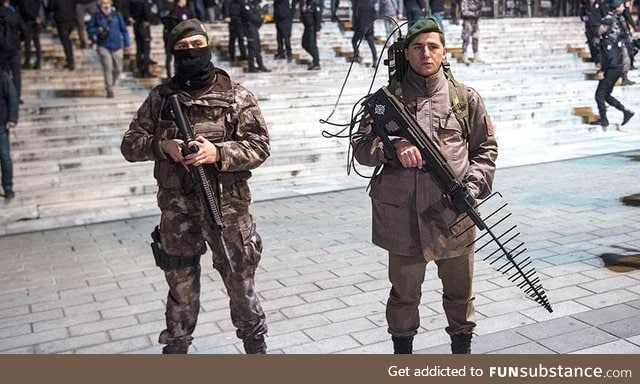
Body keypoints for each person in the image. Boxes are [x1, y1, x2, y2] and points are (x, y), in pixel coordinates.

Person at [121, 18, 270, 354]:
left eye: (197, 44)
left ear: (208, 45)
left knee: (240, 285)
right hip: (178, 212)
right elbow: (130, 143)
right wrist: (164, 146)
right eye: (183, 48)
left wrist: (217, 152)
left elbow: (259, 145)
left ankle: (254, 345)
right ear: (173, 53)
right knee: (180, 289)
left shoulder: (235, 95)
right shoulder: (161, 98)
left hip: (227, 210)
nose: (191, 52)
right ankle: (177, 347)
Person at [351, 17, 497, 354]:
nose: (425, 54)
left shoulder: (465, 98)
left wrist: (473, 188)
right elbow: (360, 147)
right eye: (417, 47)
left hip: (454, 215)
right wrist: (392, 150)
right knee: (404, 295)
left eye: (433, 46)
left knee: (460, 294)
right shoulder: (384, 102)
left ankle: (462, 353)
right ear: (406, 53)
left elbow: (485, 149)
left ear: (445, 52)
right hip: (404, 219)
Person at [590, 0, 635, 129]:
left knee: (599, 95)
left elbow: (609, 58)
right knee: (606, 95)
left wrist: (602, 71)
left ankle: (604, 120)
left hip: (613, 68)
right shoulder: (610, 37)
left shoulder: (607, 40)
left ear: (608, 27)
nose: (600, 28)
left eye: (603, 26)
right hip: (617, 67)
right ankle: (625, 111)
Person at [86, 0, 130, 98]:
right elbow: (89, 29)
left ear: (111, 4)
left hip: (117, 46)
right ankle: (109, 89)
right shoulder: (96, 16)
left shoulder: (117, 15)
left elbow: (124, 30)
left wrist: (127, 43)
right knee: (108, 67)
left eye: (107, 3)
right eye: (104, 3)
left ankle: (112, 84)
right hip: (103, 46)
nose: (106, 5)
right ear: (100, 4)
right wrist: (98, 30)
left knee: (118, 69)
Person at [159, 0, 192, 79]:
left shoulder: (186, 10)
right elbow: (172, 26)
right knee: (170, 56)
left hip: (184, 38)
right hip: (173, 38)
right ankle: (170, 75)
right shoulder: (173, 11)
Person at [0, 70, 18, 200]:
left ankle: (8, 187)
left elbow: (12, 97)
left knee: (4, 156)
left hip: (0, 123)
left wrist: (12, 118)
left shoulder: (3, 77)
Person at [241, 0, 270, 73]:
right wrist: (260, 20)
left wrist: (261, 19)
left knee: (258, 47)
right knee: (252, 48)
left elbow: (258, 14)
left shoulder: (254, 4)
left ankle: (260, 64)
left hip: (255, 28)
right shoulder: (246, 5)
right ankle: (251, 66)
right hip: (249, 29)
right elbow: (251, 17)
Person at [48, 0, 77, 70]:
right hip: (71, 20)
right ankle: (70, 60)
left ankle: (70, 61)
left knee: (65, 42)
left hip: (62, 21)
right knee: (67, 41)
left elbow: (50, 7)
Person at [129, 0, 155, 78]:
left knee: (139, 50)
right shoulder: (143, 2)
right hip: (143, 25)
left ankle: (140, 69)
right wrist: (148, 19)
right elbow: (146, 12)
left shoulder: (132, 2)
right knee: (146, 49)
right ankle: (146, 70)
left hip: (136, 24)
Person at [16, 0, 44, 70]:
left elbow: (25, 9)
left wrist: (34, 17)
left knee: (28, 43)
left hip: (29, 22)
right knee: (36, 43)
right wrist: (37, 18)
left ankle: (28, 63)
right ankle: (38, 63)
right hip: (36, 22)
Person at [352, 0, 377, 64]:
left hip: (360, 28)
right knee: (372, 45)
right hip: (369, 28)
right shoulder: (370, 5)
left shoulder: (357, 4)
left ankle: (356, 55)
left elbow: (356, 17)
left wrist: (355, 26)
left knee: (354, 41)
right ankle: (375, 59)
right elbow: (375, 16)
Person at [300, 0, 321, 70]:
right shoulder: (304, 4)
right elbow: (302, 16)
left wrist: (318, 30)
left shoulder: (315, 5)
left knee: (312, 45)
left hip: (312, 28)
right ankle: (315, 59)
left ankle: (317, 63)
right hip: (307, 27)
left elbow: (318, 18)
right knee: (304, 44)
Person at [460, 0, 481, 65]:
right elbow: (464, 12)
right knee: (466, 39)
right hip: (467, 22)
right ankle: (465, 56)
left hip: (475, 22)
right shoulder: (465, 1)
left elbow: (479, 9)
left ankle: (476, 56)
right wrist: (474, 13)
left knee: (476, 39)